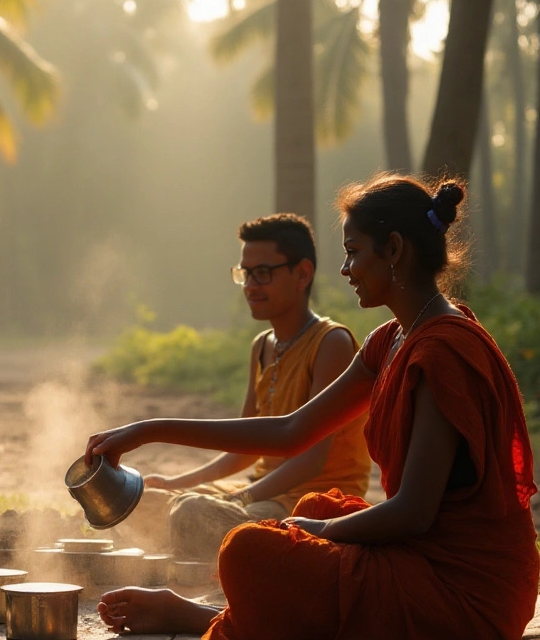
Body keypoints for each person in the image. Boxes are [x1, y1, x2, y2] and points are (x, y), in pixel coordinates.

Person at [90, 174, 539, 640]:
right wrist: (147, 431)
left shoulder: (443, 349)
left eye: (353, 251)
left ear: (393, 249)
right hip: (420, 557)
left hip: (467, 592)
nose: (345, 269)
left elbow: (413, 513)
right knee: (319, 511)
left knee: (250, 549)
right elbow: (290, 431)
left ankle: (200, 616)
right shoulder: (389, 341)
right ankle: (219, 611)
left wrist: (310, 531)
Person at [116, 214, 372, 561]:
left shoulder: (332, 342)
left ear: (302, 273)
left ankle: (211, 552)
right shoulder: (262, 345)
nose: (251, 285)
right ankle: (200, 549)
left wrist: (239, 499)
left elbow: (311, 462)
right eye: (245, 274)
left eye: (263, 273)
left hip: (314, 504)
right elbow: (244, 450)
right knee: (138, 500)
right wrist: (178, 483)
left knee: (192, 514)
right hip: (260, 493)